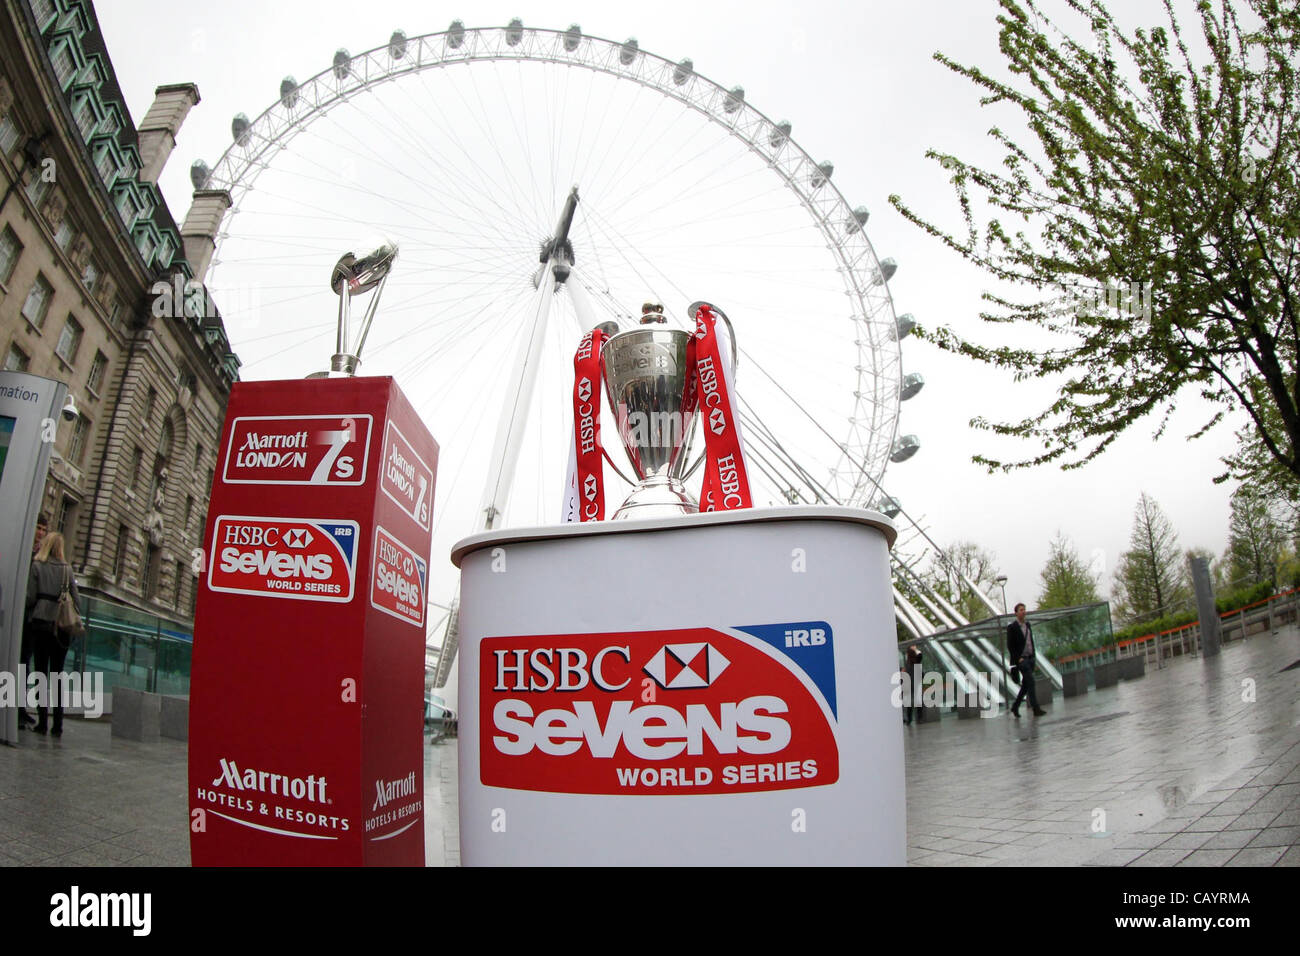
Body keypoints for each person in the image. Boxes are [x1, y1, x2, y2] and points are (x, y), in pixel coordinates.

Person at [25, 531, 80, 737]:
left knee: (41, 674)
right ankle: (58, 725)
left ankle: (42, 723)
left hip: (40, 624)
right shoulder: (67, 570)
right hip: (61, 628)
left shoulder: (37, 566)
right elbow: (77, 601)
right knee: (57, 675)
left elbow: (30, 597)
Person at [18, 513, 51, 730]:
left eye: (42, 530)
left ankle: (19, 708)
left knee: (24, 663)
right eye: (37, 528)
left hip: (31, 618)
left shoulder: (41, 557)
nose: (39, 533)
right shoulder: (23, 550)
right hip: (18, 614)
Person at [1006, 602, 1046, 718]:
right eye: (1021, 610)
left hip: (1030, 658)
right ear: (1016, 613)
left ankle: (1015, 706)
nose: (1023, 612)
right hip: (1022, 660)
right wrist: (1018, 659)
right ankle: (1036, 708)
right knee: (1031, 682)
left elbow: (1030, 642)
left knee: (1026, 685)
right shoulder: (1012, 627)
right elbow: (1010, 645)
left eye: (1024, 609)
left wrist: (1033, 655)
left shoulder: (1027, 625)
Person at [903, 644, 924, 724]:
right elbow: (920, 654)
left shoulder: (908, 662)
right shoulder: (916, 661)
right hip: (916, 683)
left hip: (909, 684)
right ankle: (919, 718)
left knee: (909, 703)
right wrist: (915, 650)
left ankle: (909, 719)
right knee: (918, 701)